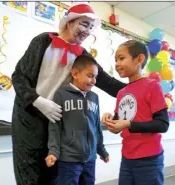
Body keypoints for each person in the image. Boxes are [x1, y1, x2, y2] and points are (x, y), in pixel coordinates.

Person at [11, 2, 125, 185]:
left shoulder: (83, 56)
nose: (87, 31)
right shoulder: (43, 41)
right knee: (29, 174)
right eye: (83, 24)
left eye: (90, 27)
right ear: (69, 22)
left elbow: (106, 81)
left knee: (55, 174)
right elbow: (19, 77)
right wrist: (38, 101)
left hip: (57, 122)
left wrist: (137, 87)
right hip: (29, 119)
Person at [102, 40, 169, 185]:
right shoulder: (121, 93)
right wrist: (110, 119)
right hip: (127, 157)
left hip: (149, 158)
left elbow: (163, 124)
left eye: (121, 58)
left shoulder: (152, 86)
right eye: (115, 60)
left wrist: (129, 124)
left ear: (139, 59)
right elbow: (118, 125)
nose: (117, 64)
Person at [45, 54, 109, 185]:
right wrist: (53, 151)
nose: (94, 81)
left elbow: (96, 126)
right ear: (75, 73)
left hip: (90, 159)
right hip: (68, 159)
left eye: (95, 77)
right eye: (90, 76)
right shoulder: (61, 94)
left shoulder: (94, 97)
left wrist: (101, 150)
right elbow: (55, 126)